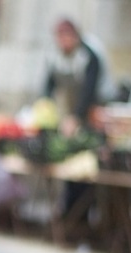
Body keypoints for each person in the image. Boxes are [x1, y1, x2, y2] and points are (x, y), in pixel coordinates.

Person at [44, 17, 106, 221]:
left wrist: (76, 118)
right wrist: (43, 109)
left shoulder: (89, 57)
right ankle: (69, 215)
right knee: (69, 169)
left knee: (85, 172)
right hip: (68, 119)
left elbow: (89, 91)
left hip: (91, 119)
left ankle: (83, 218)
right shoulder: (55, 57)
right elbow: (48, 87)